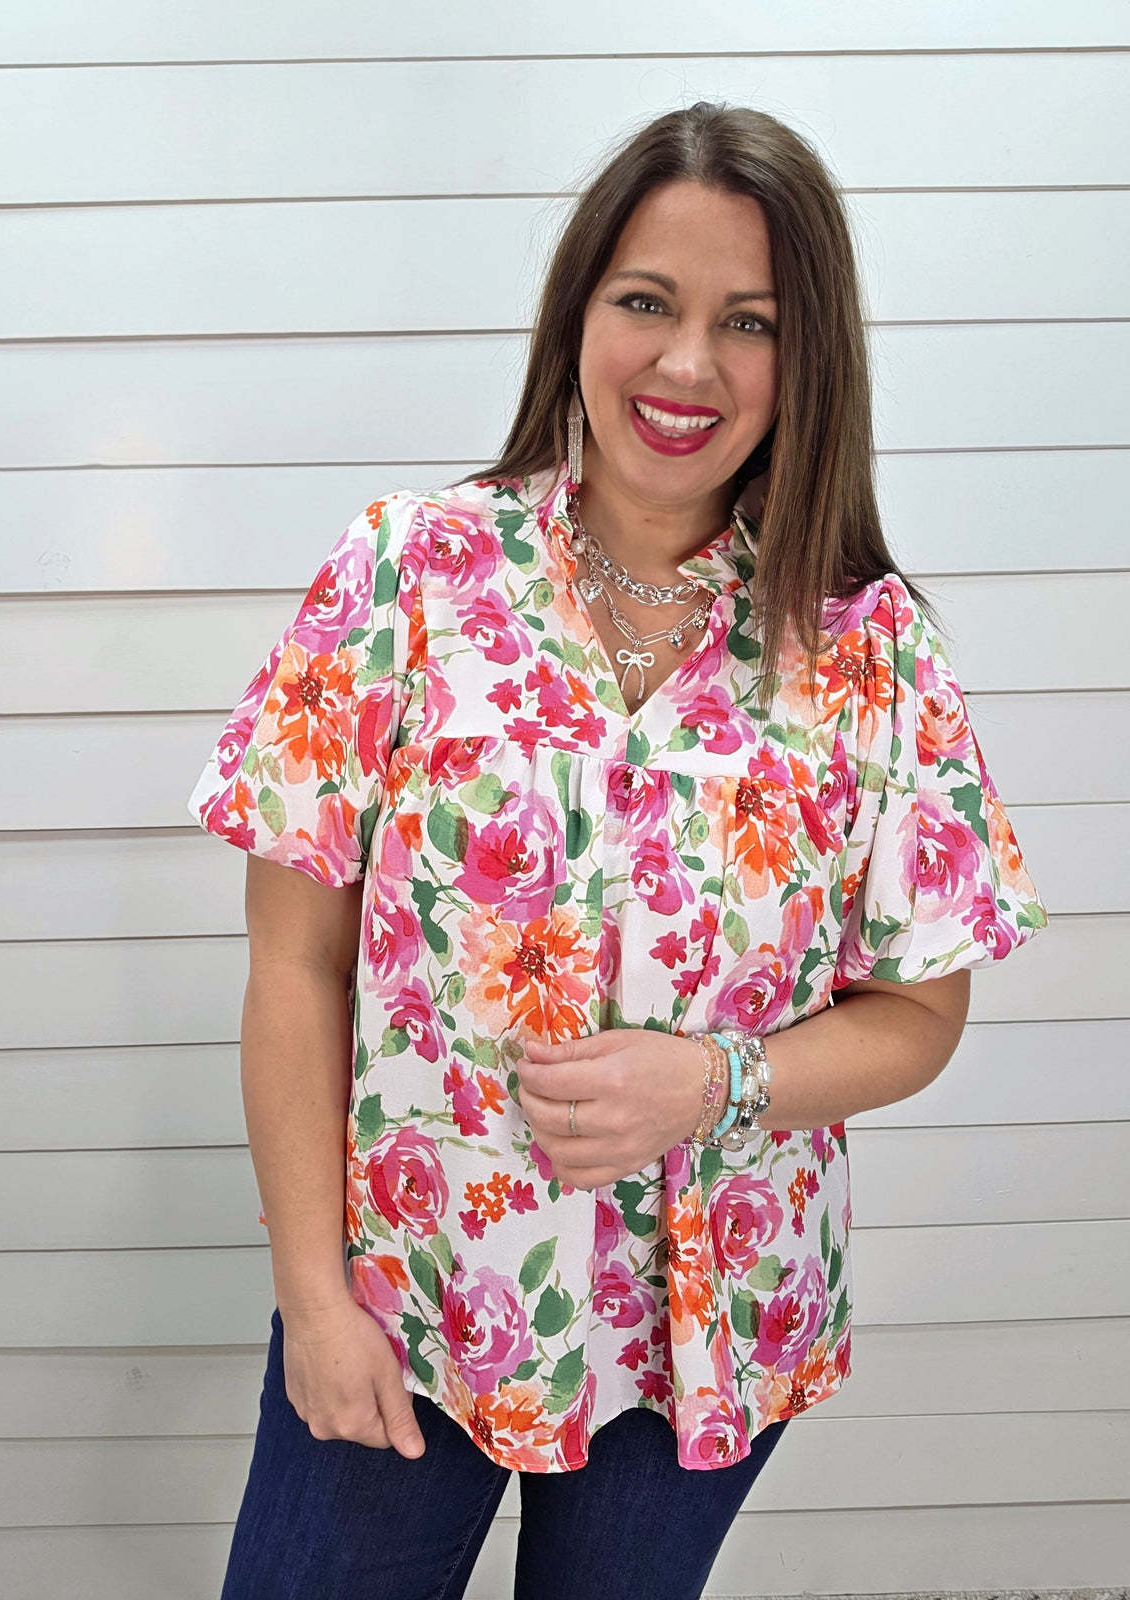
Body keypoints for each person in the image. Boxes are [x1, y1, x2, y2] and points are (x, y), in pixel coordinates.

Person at [189, 101, 1047, 1600]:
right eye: (647, 300)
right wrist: (313, 1302)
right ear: (577, 310)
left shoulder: (872, 654)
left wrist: (713, 1083)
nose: (687, 364)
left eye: (750, 322)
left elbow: (920, 1014)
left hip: (708, 1326)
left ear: (812, 358)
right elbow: (294, 963)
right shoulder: (406, 573)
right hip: (409, 1293)